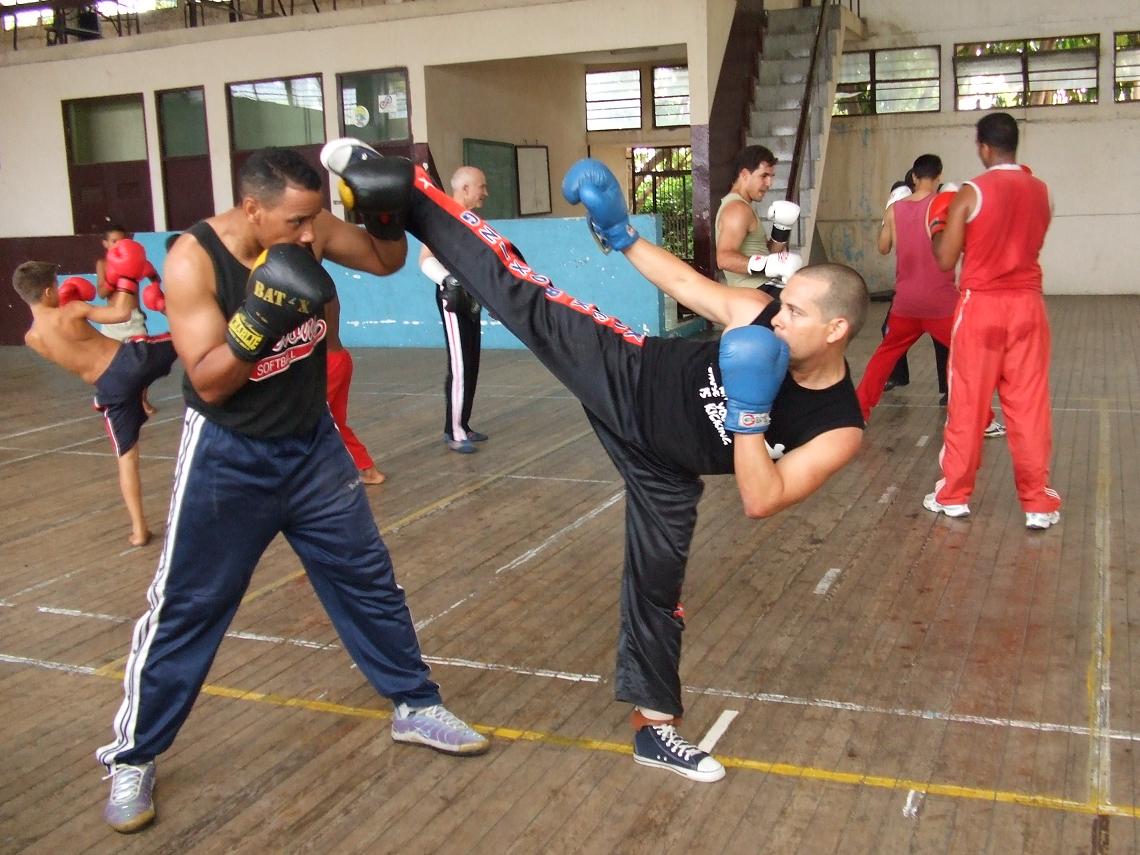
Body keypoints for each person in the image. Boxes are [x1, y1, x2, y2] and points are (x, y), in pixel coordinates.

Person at [371, 148, 867, 784]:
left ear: (836, 331)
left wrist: (750, 414)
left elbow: (760, 498)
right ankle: (413, 196)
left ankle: (654, 730)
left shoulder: (838, 428)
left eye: (797, 313)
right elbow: (691, 288)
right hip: (628, 376)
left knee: (658, 594)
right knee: (526, 296)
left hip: (667, 469)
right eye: (783, 305)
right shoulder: (761, 316)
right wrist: (622, 233)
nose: (778, 316)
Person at [95, 146, 488, 835]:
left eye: (317, 220)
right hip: (229, 453)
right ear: (252, 210)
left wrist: (387, 215)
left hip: (312, 444)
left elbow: (382, 258)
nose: (312, 237)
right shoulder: (193, 260)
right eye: (297, 223)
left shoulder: (309, 224)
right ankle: (134, 753)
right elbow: (211, 380)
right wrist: (258, 320)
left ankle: (415, 704)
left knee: (368, 578)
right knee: (189, 604)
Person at [922, 112, 1060, 530]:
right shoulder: (1042, 192)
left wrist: (936, 225)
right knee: (1029, 406)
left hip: (981, 306)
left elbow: (946, 259)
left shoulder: (971, 192)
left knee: (967, 402)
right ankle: (1038, 503)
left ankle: (954, 496)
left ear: (982, 146)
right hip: (1028, 307)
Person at [11, 262, 176, 547]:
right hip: (132, 362)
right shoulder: (71, 310)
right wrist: (127, 274)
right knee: (189, 334)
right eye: (57, 285)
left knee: (127, 457)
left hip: (109, 388)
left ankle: (139, 530)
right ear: (49, 290)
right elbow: (122, 312)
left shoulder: (32, 339)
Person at [857, 154, 999, 430]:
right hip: (941, 303)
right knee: (968, 359)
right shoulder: (945, 206)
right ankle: (984, 420)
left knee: (883, 357)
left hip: (906, 302)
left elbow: (883, 248)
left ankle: (857, 413)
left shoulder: (895, 209)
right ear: (939, 177)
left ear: (913, 177)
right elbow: (964, 246)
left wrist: (887, 217)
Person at [419, 166, 491, 453]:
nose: (485, 192)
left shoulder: (471, 219)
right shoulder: (442, 217)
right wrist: (449, 282)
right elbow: (425, 259)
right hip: (453, 301)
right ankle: (454, 431)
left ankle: (464, 424)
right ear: (465, 189)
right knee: (460, 366)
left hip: (472, 299)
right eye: (481, 186)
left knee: (472, 362)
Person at [714, 145, 802, 296]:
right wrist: (767, 265)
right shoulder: (737, 209)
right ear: (744, 174)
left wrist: (782, 229)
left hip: (762, 286)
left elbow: (769, 254)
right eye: (764, 176)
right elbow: (724, 259)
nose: (769, 183)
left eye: (771, 177)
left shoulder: (745, 207)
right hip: (754, 291)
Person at [96, 224, 157, 416]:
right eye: (114, 241)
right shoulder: (103, 264)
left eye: (122, 240)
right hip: (112, 320)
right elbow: (101, 292)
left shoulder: (136, 260)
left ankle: (142, 399)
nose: (118, 245)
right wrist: (115, 278)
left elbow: (154, 277)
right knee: (109, 364)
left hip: (134, 319)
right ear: (105, 244)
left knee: (145, 362)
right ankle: (112, 399)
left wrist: (154, 287)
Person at [325, 295, 386, 484]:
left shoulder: (302, 286)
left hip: (327, 364)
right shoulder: (322, 284)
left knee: (317, 422)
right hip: (340, 359)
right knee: (334, 422)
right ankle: (367, 469)